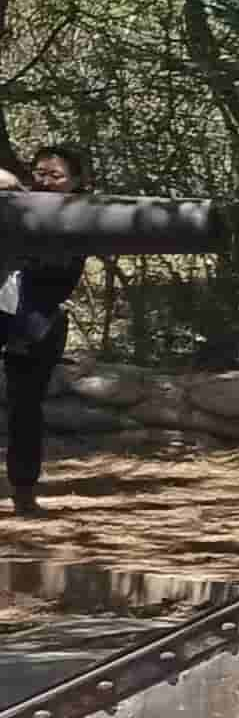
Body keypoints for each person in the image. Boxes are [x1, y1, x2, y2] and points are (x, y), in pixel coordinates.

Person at [4, 140, 90, 517]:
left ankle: (24, 491)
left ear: (77, 181)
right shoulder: (15, 203)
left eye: (55, 175)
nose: (45, 181)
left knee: (25, 408)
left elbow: (59, 270)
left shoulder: (82, 215)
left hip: (38, 321)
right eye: (39, 173)